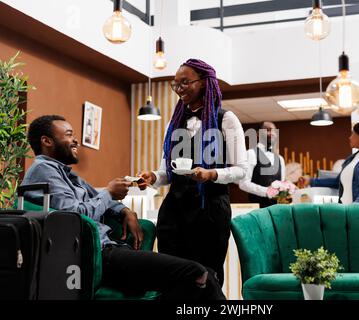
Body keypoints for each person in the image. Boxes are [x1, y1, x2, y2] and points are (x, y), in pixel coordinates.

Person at [22, 115, 225, 300]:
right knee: (198, 275)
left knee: (205, 275)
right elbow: (73, 215)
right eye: (68, 134)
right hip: (97, 256)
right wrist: (109, 192)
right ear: (46, 141)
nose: (75, 140)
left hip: (110, 250)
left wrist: (124, 211)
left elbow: (99, 200)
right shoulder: (43, 170)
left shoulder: (67, 174)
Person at [138, 59, 248, 286]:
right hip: (174, 211)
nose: (179, 89)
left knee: (207, 278)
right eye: (175, 84)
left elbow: (242, 170)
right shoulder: (174, 122)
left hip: (210, 211)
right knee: (172, 276)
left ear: (204, 83)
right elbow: (167, 173)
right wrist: (153, 178)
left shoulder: (226, 119)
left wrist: (211, 175)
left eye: (185, 82)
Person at [299, 121, 359, 204]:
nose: (349, 137)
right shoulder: (351, 159)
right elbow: (336, 182)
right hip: (347, 210)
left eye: (353, 134)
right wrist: (311, 181)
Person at [238, 121, 286, 208]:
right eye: (268, 130)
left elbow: (281, 184)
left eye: (274, 131)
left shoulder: (280, 159)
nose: (272, 133)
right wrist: (266, 191)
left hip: (277, 208)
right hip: (257, 208)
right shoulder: (251, 154)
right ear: (258, 134)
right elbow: (243, 183)